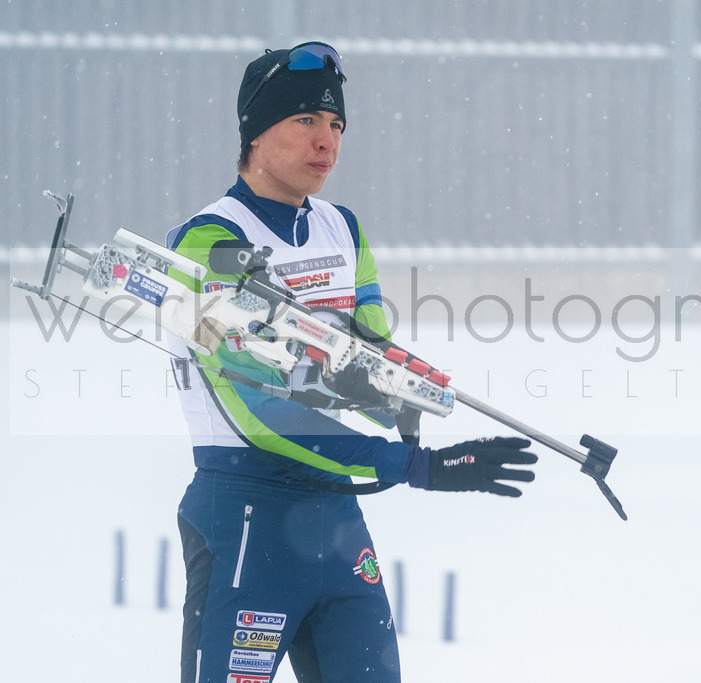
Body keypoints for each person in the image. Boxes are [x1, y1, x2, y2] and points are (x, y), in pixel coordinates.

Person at [166, 41, 537, 683]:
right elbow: (258, 413)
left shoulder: (343, 228)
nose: (327, 141)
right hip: (246, 514)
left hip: (335, 522)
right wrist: (412, 466)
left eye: (336, 124)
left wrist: (408, 398)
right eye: (305, 120)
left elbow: (369, 360)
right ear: (256, 133)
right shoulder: (209, 241)